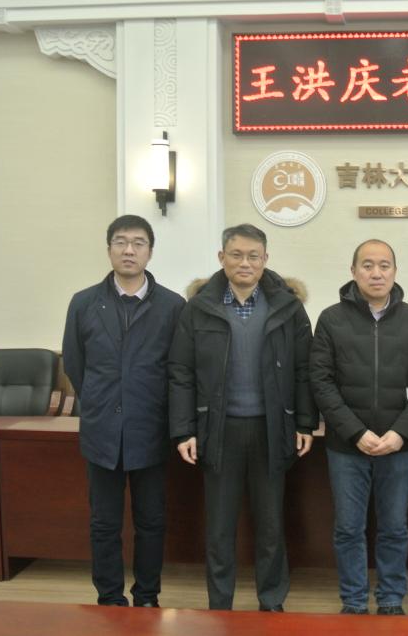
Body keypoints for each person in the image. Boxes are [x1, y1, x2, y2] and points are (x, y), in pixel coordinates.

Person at [167, 223, 316, 611]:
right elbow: (181, 371)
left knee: (270, 526)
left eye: (253, 256)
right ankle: (220, 604)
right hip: (218, 431)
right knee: (219, 528)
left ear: (265, 260)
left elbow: (304, 369)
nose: (245, 263)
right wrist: (184, 430)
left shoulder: (288, 307)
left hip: (271, 429)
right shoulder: (198, 308)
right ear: (222, 258)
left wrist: (304, 423)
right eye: (236, 255)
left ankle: (272, 602)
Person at [61, 214, 185, 607]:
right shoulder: (84, 303)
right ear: (109, 248)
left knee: (151, 521)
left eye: (138, 243)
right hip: (102, 433)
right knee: (104, 523)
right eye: (120, 242)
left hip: (150, 429)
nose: (129, 250)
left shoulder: (172, 306)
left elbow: (178, 369)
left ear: (150, 251)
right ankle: (110, 597)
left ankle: (147, 595)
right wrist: (101, 402)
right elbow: (75, 364)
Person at [310, 239, 408, 616]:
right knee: (348, 529)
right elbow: (321, 382)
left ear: (395, 271)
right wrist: (355, 432)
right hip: (347, 446)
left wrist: (401, 433)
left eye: (384, 265)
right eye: (367, 265)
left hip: (397, 446)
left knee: (394, 528)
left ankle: (391, 599)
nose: (376, 273)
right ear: (353, 271)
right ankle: (354, 600)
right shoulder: (331, 319)